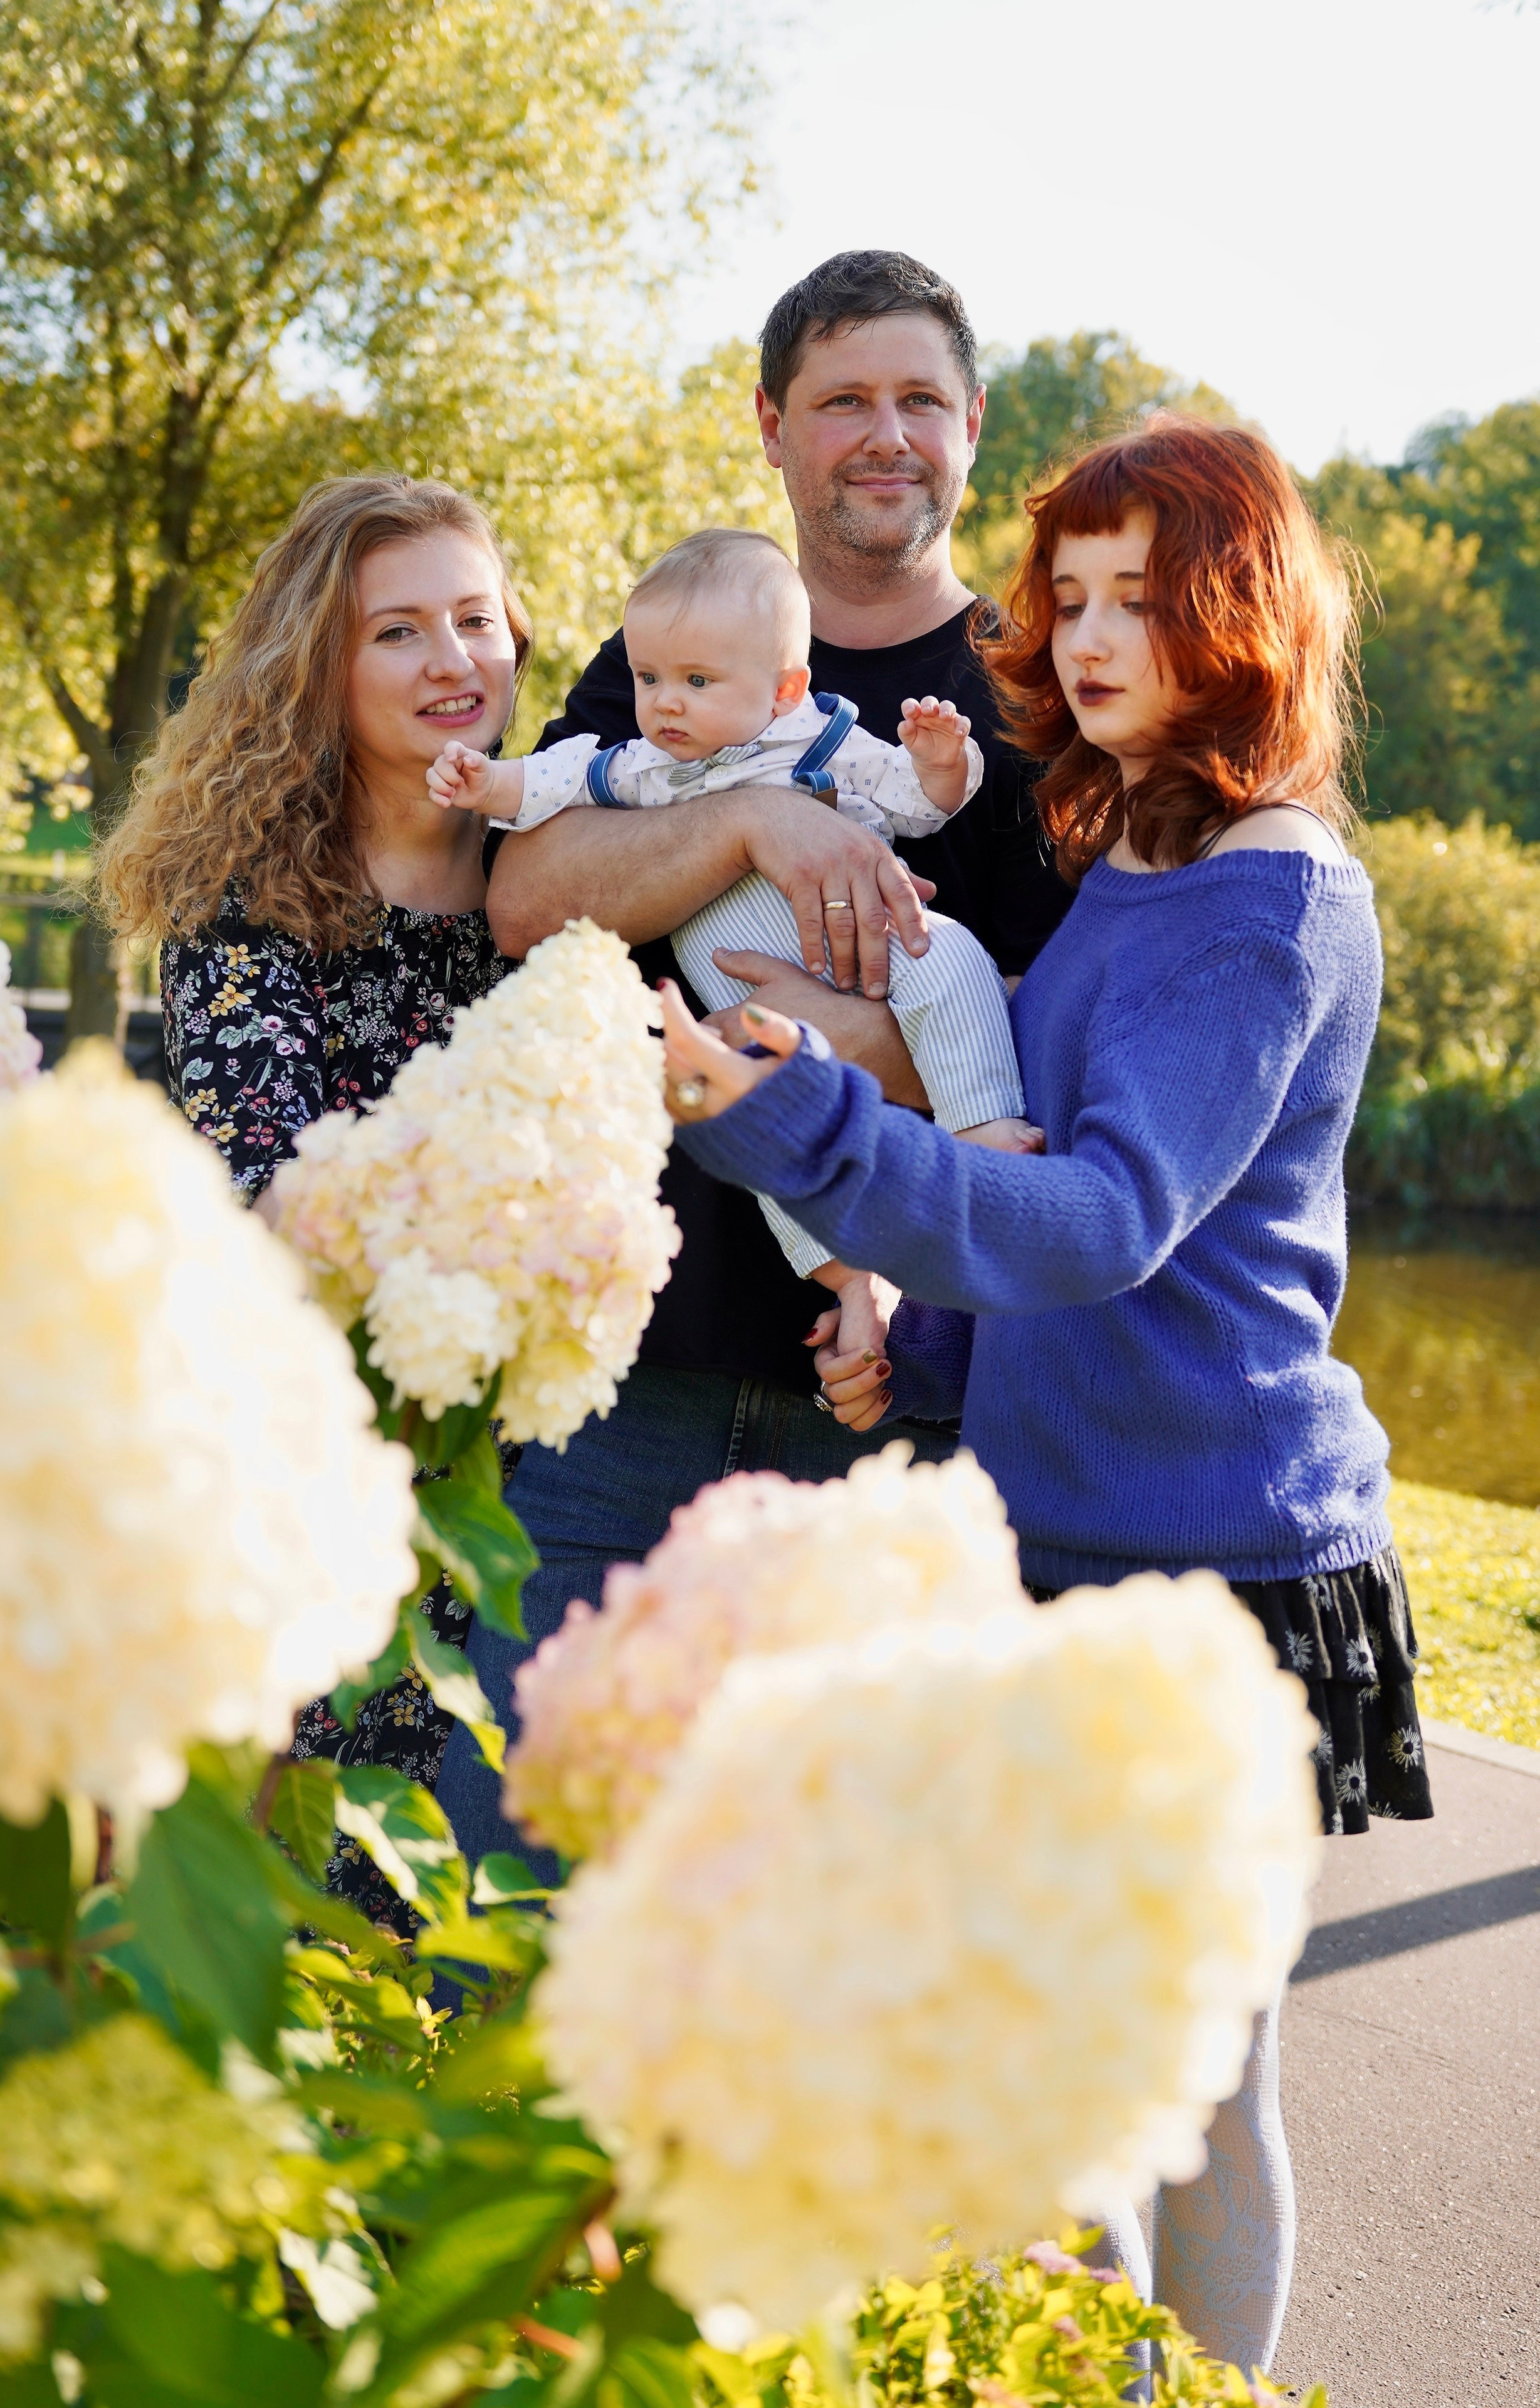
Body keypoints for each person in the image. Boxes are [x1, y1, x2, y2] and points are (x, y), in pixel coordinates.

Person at [659, 414, 1433, 2379]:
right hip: (1051, 1542)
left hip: (1228, 1572)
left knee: (1190, 2086)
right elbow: (1039, 1187)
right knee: (1047, 2079)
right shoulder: (1132, 850)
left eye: (1138, 596)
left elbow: (1102, 1221)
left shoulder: (1274, 892)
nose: (1086, 636)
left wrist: (811, 1126)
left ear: (1236, 609)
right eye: (1068, 594)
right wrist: (915, 1343)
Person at [436, 250, 1074, 1864]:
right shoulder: (667, 652)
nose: (883, 434)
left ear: (972, 428)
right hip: (626, 1375)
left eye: (918, 399)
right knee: (513, 1854)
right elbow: (522, 898)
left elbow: (1058, 1044)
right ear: (772, 428)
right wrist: (751, 814)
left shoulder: (1031, 690)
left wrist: (846, 1052)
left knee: (817, 1896)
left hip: (887, 1403)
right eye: (841, 398)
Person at [98, 472, 528, 1928]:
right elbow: (277, 1198)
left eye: (475, 620)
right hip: (316, 1478)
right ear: (321, 670)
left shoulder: (558, 871)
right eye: (397, 633)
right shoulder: (248, 907)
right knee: (307, 1915)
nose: (452, 661)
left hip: (534, 1501)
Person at [425, 522, 1037, 1360]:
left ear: (786, 689)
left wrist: (940, 764)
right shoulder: (643, 764)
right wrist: (487, 782)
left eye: (697, 680)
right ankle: (846, 1272)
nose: (666, 701)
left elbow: (911, 804)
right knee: (756, 1118)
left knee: (953, 959)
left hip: (871, 947)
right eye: (650, 678)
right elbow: (555, 779)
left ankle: (984, 1134)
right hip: (739, 979)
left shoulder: (814, 737)